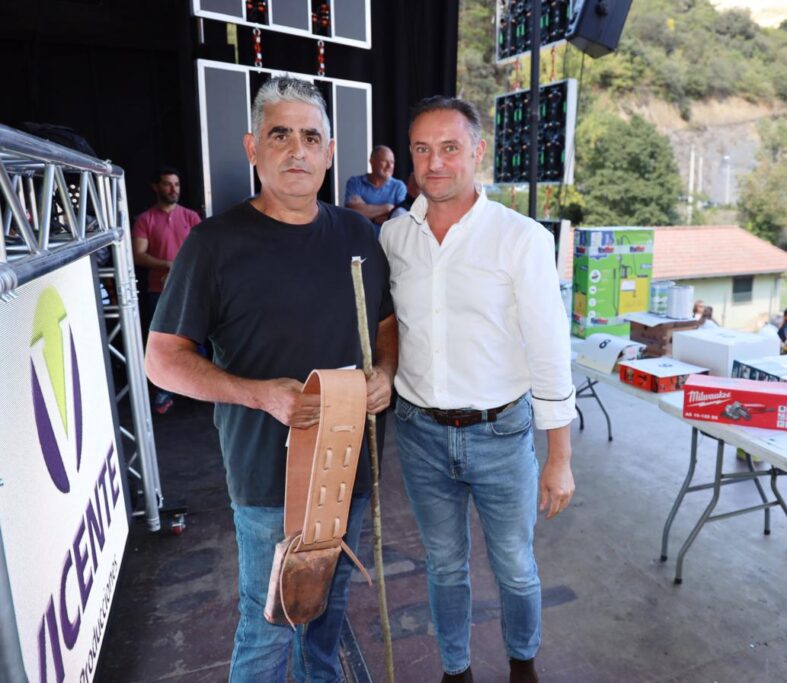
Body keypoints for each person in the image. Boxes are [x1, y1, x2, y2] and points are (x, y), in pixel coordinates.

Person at [144, 76, 398, 681]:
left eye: (311, 137)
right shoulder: (214, 243)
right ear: (252, 147)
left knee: (327, 618)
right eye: (280, 135)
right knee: (268, 628)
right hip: (268, 480)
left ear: (330, 153)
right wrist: (258, 394)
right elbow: (162, 359)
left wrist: (386, 371)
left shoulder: (358, 235)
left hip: (351, 467)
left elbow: (386, 323)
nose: (297, 151)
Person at [380, 96, 574, 683]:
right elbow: (391, 326)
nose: (435, 162)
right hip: (419, 434)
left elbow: (548, 347)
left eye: (450, 148)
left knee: (514, 565)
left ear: (478, 152)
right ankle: (456, 670)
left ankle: (523, 665)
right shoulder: (394, 237)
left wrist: (559, 457)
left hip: (501, 434)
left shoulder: (521, 238)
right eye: (422, 149)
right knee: (443, 566)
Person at [132, 166, 202, 414]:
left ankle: (200, 388)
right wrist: (168, 266)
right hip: (158, 291)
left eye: (177, 184)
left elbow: (203, 251)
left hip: (192, 290)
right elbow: (138, 255)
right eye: (167, 184)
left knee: (197, 340)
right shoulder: (145, 219)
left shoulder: (191, 217)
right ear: (156, 187)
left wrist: (180, 269)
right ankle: (165, 390)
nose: (173, 189)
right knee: (163, 343)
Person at [345, 144, 407, 233]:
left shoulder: (399, 187)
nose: (389, 166)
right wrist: (388, 208)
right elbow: (352, 212)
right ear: (372, 161)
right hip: (358, 238)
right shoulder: (355, 182)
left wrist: (366, 213)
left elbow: (402, 220)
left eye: (392, 162)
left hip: (387, 240)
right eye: (384, 161)